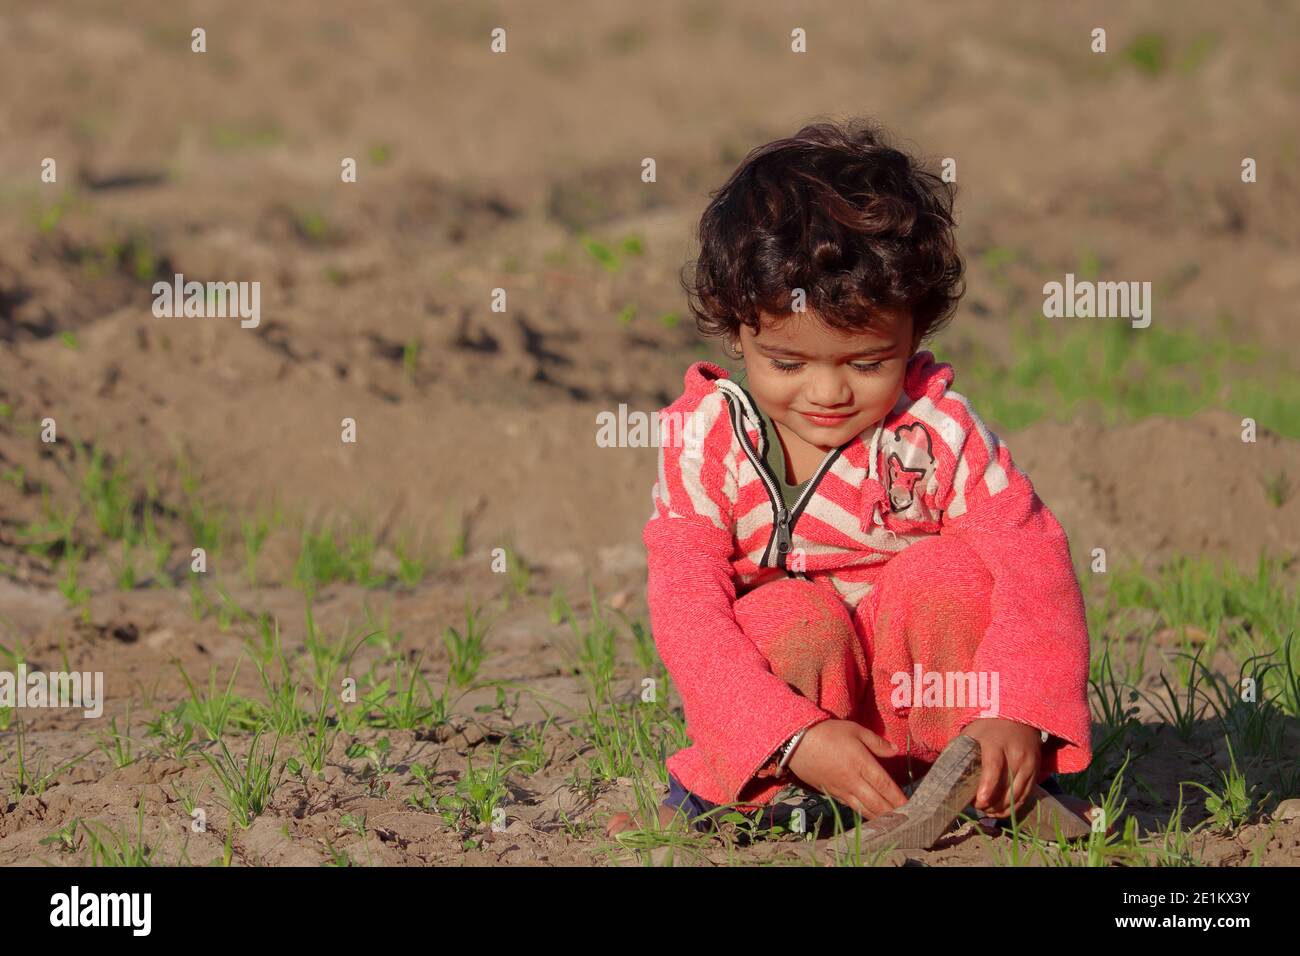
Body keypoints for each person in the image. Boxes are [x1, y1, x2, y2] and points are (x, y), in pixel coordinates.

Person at [608, 118, 1097, 843]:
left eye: (867, 363)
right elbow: (688, 610)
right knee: (791, 619)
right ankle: (765, 798)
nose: (827, 394)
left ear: (915, 333)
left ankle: (976, 784)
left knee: (949, 578)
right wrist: (791, 734)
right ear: (736, 329)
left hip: (936, 716)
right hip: (790, 731)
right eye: (788, 362)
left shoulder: (939, 434)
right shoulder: (706, 444)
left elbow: (1032, 565)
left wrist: (1014, 707)